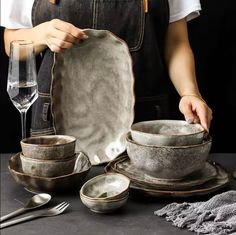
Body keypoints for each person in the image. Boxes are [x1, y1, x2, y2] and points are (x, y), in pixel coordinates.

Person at [1, 0, 212, 134]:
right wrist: (41, 34)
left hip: (144, 122)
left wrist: (190, 93)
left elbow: (176, 42)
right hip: (55, 124)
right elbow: (11, 41)